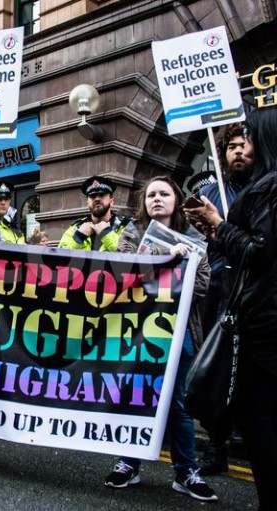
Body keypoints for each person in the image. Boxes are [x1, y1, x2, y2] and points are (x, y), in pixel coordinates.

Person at [185, 107, 277, 510]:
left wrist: (220, 225)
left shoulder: (267, 189)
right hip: (258, 312)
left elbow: (258, 253)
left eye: (250, 138)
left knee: (256, 416)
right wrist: (216, 231)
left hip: (263, 320)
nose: (245, 148)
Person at [104, 176, 216, 502]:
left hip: (180, 335)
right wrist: (167, 257)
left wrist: (174, 265)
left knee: (178, 405)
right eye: (151, 194)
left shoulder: (194, 239)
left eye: (164, 193)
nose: (156, 199)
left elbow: (202, 285)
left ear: (176, 200)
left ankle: (186, 471)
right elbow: (124, 275)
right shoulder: (130, 234)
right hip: (138, 332)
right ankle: (129, 463)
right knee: (135, 398)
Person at [193, 123, 253, 476]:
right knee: (215, 366)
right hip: (219, 289)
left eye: (244, 145)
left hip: (254, 292)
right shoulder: (211, 193)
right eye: (231, 146)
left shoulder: (264, 189)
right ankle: (217, 445)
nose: (238, 151)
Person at [58, 175, 130, 251]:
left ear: (111, 201)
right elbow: (60, 256)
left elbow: (130, 254)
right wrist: (78, 237)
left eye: (102, 195)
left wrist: (107, 233)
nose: (97, 199)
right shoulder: (75, 228)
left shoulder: (125, 226)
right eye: (92, 196)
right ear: (87, 203)